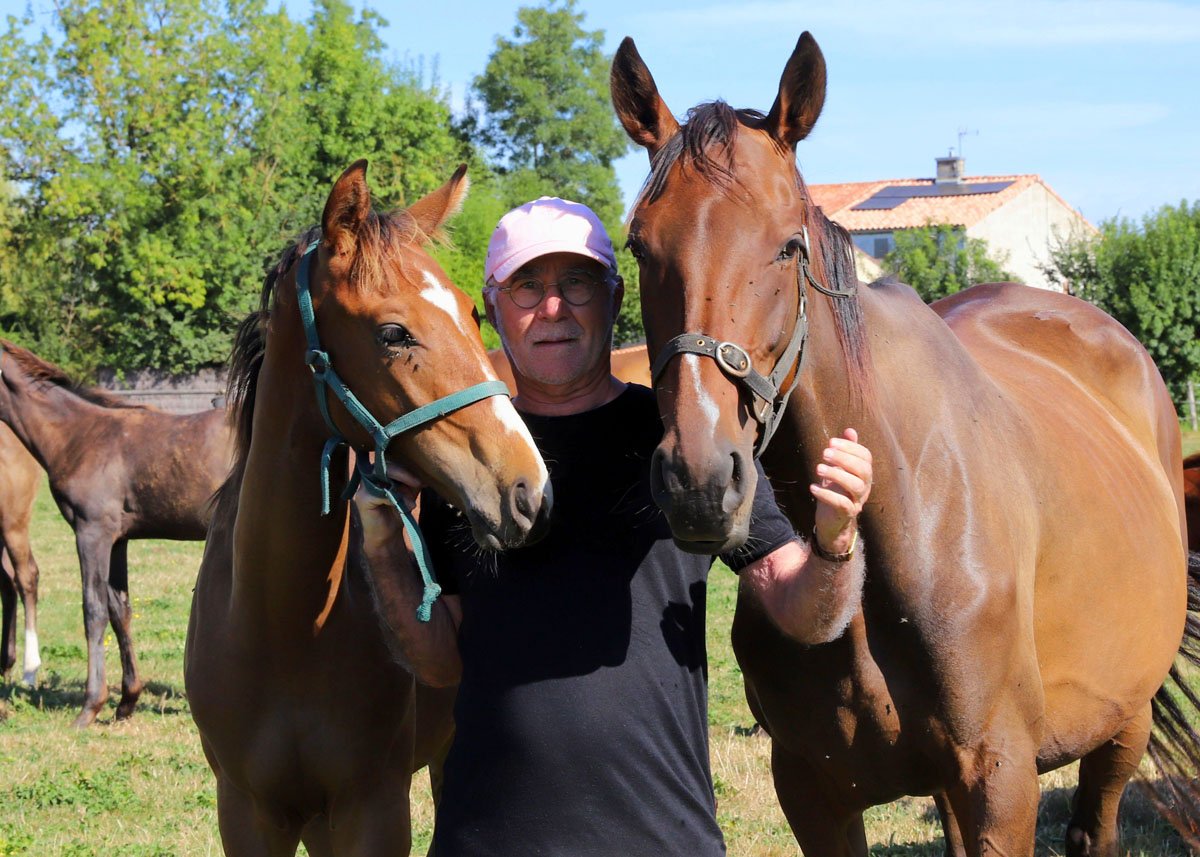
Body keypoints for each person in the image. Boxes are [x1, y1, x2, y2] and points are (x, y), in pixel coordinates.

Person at [354, 196, 873, 857]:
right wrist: (382, 541)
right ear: (491, 307)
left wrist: (834, 541)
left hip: (663, 842)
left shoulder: (680, 444)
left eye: (577, 282)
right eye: (527, 287)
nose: (553, 308)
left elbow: (804, 612)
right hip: (484, 841)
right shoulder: (466, 457)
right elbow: (438, 662)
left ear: (616, 297)